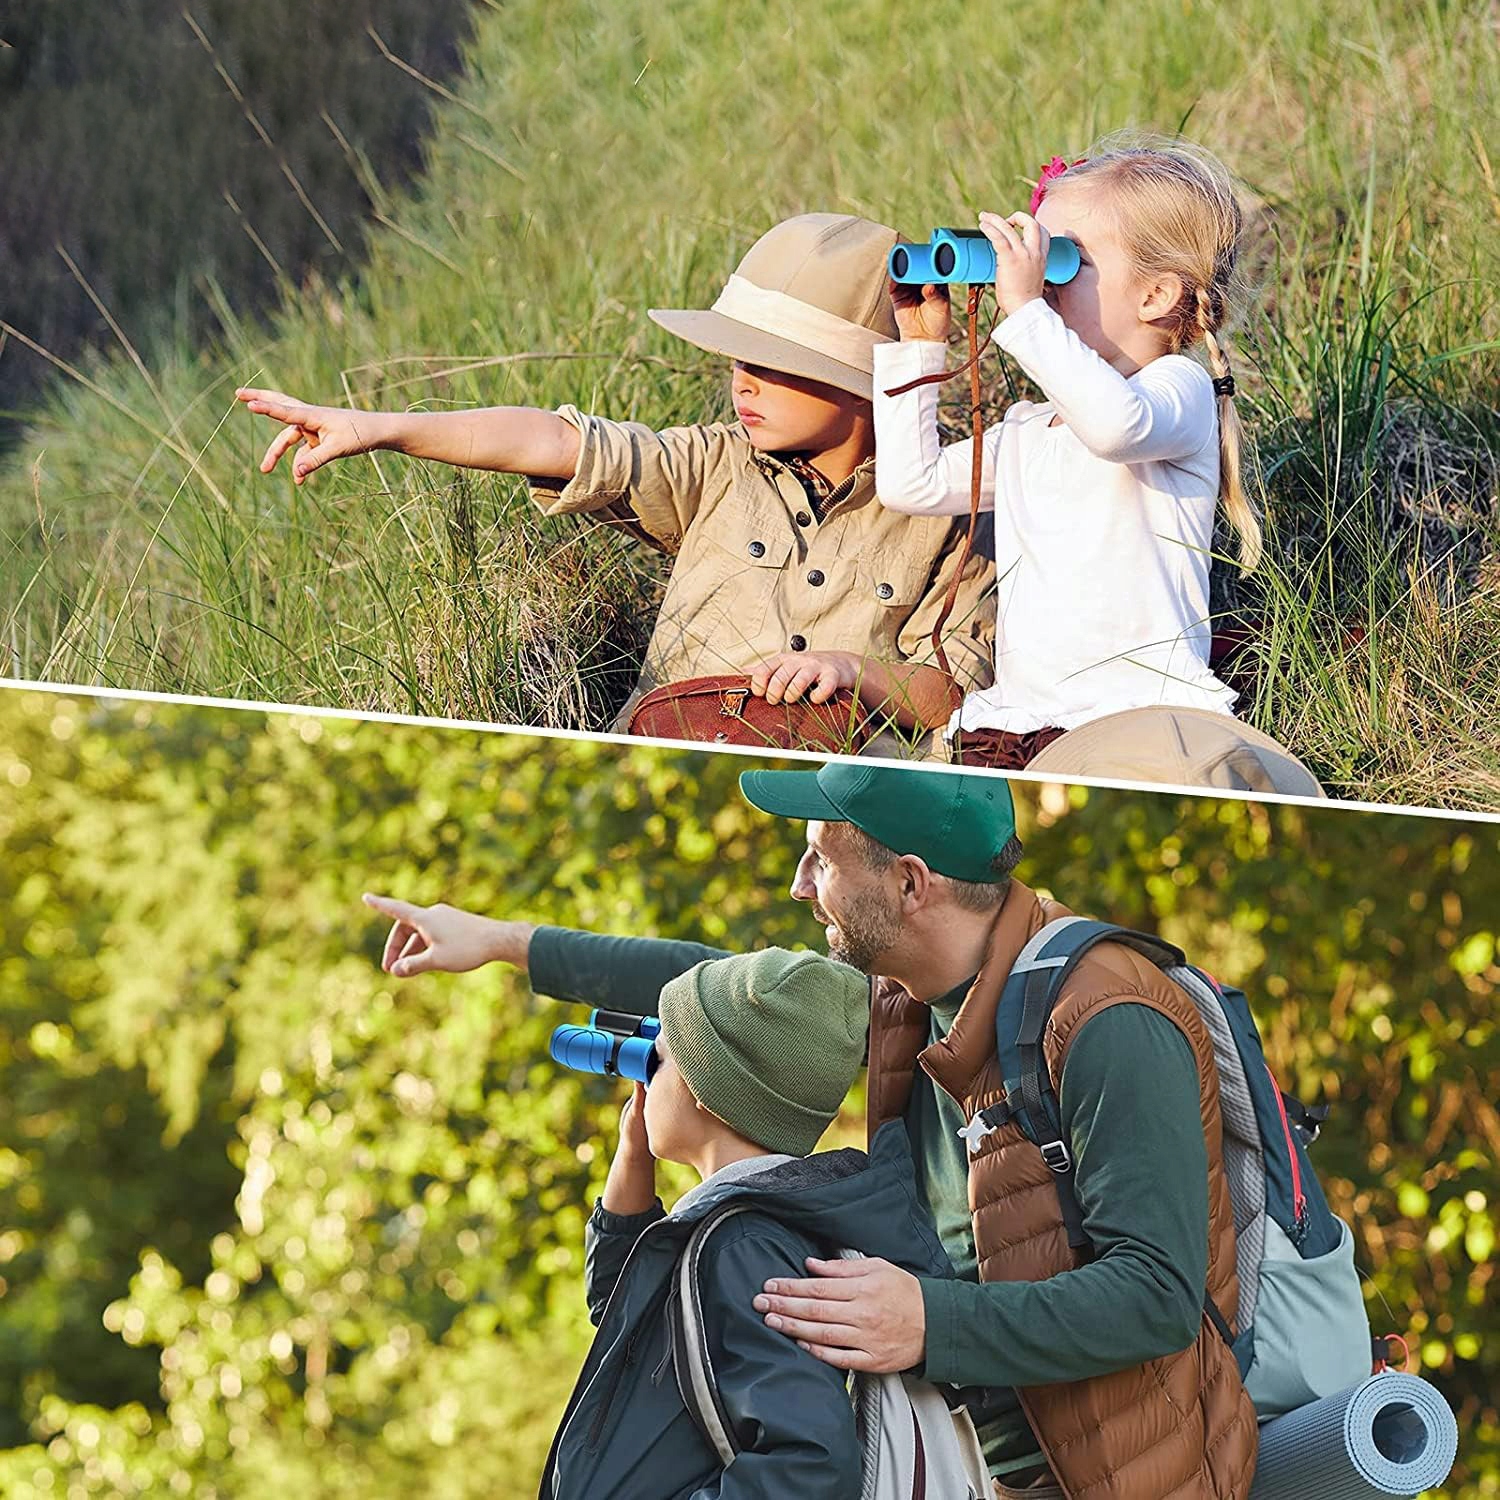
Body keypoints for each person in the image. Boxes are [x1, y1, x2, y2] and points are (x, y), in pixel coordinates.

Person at [363, 763, 1258, 1500]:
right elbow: (728, 1002)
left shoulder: (1107, 1019)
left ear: (911, 882)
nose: (798, 886)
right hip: (965, 1470)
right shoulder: (907, 1000)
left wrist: (926, 1320)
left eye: (820, 861)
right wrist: (499, 941)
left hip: (1117, 1480)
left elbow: (1159, 1297)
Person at [236, 214, 995, 748]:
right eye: (737, 360)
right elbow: (556, 441)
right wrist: (383, 429)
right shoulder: (713, 466)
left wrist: (849, 671)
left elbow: (949, 697)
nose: (744, 384)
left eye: (772, 365)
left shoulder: (961, 510)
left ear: (864, 379)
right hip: (667, 742)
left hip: (835, 780)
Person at [874, 136, 1262, 770]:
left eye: (1062, 259)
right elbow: (911, 484)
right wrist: (917, 350)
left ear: (1156, 296)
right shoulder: (1030, 428)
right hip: (1024, 720)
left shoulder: (1178, 389)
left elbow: (1115, 427)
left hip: (1137, 717)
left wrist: (1026, 309)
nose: (1034, 275)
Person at [539, 947, 954, 1499]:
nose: (644, 1085)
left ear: (706, 1090)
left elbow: (809, 1468)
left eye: (658, 1061)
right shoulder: (748, 1227)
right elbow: (624, 1315)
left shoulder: (743, 1246)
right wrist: (633, 1156)